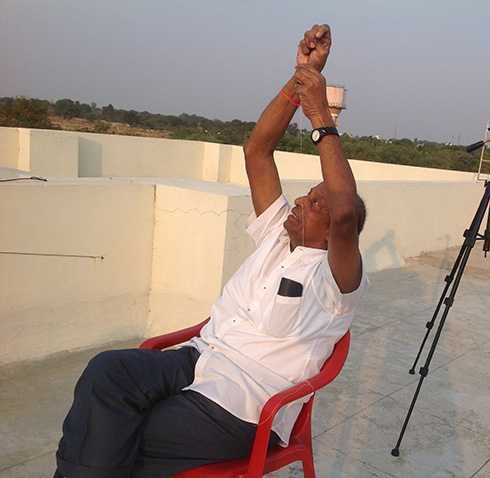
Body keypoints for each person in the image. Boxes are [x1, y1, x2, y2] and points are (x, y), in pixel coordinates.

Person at [54, 24, 368, 478]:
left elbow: (343, 211)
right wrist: (298, 81)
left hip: (242, 402)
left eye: (314, 202)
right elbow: (257, 151)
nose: (301, 200)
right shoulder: (278, 232)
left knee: (118, 434)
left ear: (339, 230)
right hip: (199, 357)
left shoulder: (337, 283)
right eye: (307, 194)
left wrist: (322, 118)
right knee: (105, 374)